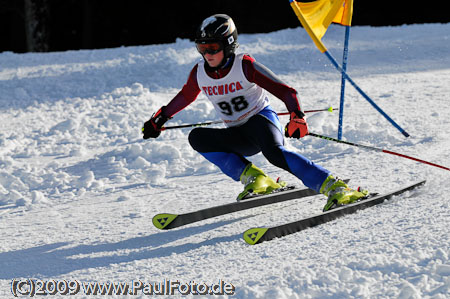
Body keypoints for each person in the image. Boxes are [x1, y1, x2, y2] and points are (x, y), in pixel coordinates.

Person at [142, 14, 368, 211]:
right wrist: (159, 118)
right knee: (197, 137)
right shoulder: (199, 73)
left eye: (213, 48)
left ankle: (334, 186)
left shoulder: (245, 66)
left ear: (228, 45)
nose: (207, 54)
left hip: (262, 122)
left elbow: (286, 91)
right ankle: (255, 178)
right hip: (238, 134)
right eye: (202, 48)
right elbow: (185, 96)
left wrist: (297, 116)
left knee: (274, 153)